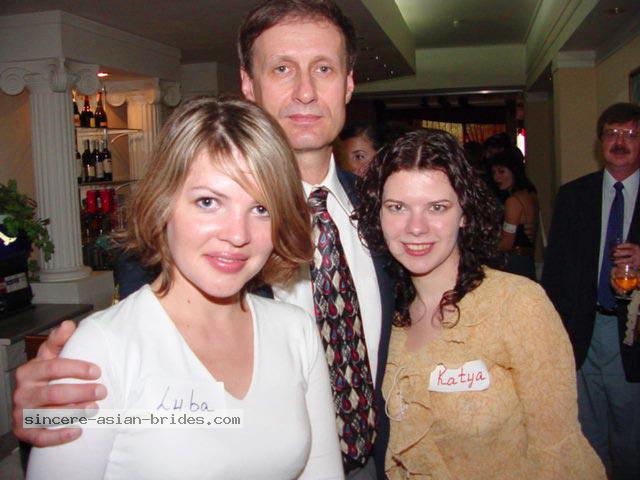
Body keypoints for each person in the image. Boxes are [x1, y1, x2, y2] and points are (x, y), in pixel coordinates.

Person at [13, 2, 394, 478]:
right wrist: (48, 407)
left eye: (323, 68)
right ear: (249, 85)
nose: (305, 91)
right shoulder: (159, 255)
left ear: (349, 83)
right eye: (282, 68)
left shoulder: (390, 214)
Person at [25, 96, 343, 479]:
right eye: (208, 202)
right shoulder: (104, 346)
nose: (238, 234)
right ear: (163, 203)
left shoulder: (295, 330)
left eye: (261, 209)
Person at [353, 128, 604, 479]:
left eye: (437, 207)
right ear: (377, 215)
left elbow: (560, 452)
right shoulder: (381, 317)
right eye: (397, 207)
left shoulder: (517, 305)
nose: (415, 227)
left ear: (465, 213)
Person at [541, 102, 640, 479]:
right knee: (586, 435)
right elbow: (555, 271)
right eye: (612, 134)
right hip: (582, 330)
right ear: (600, 143)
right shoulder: (573, 195)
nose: (620, 142)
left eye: (630, 134)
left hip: (631, 335)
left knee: (631, 440)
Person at [490, 146, 539, 280]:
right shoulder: (531, 194)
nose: (496, 177)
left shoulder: (513, 201)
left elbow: (507, 243)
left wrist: (482, 246)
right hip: (527, 261)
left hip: (514, 263)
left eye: (502, 172)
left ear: (514, 171)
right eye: (494, 172)